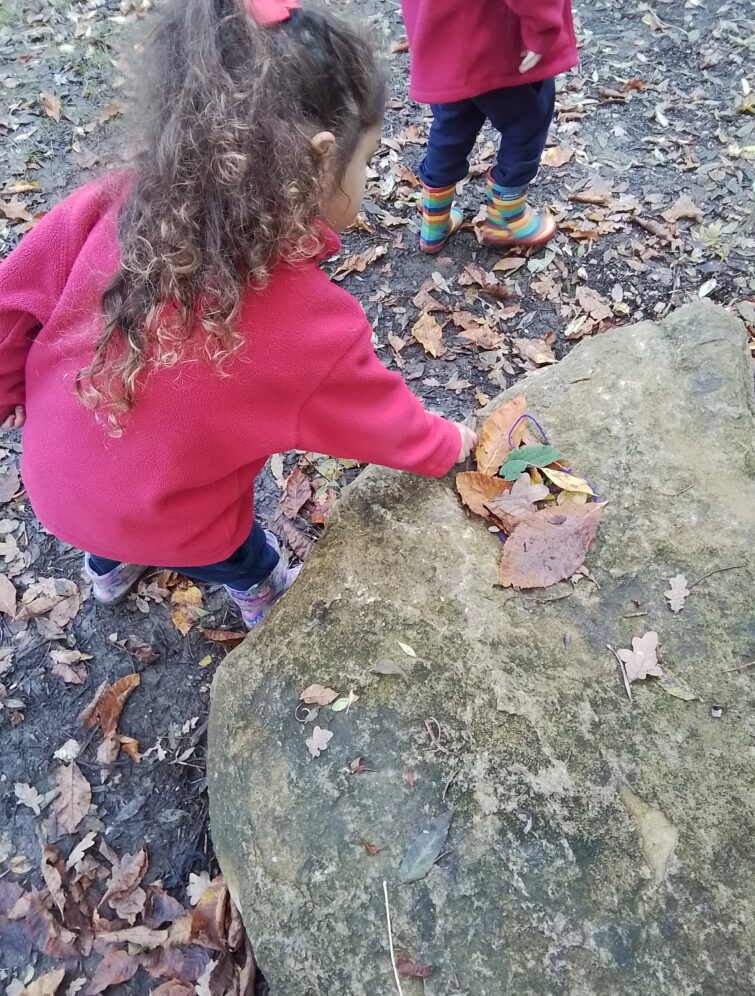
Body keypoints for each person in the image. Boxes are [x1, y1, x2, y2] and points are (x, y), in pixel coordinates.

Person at [0, 0, 476, 629]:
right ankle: (264, 597)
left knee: (112, 502)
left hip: (56, 489)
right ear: (318, 160)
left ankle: (108, 572)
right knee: (238, 552)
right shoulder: (312, 328)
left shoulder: (100, 207)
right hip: (184, 523)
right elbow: (382, 421)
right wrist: (450, 444)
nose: (366, 177)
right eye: (364, 161)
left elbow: (10, 311)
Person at [400, 0, 578, 254]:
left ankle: (434, 222)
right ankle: (508, 216)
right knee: (528, 118)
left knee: (453, 122)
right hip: (495, 35)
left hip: (442, 32)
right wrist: (542, 26)